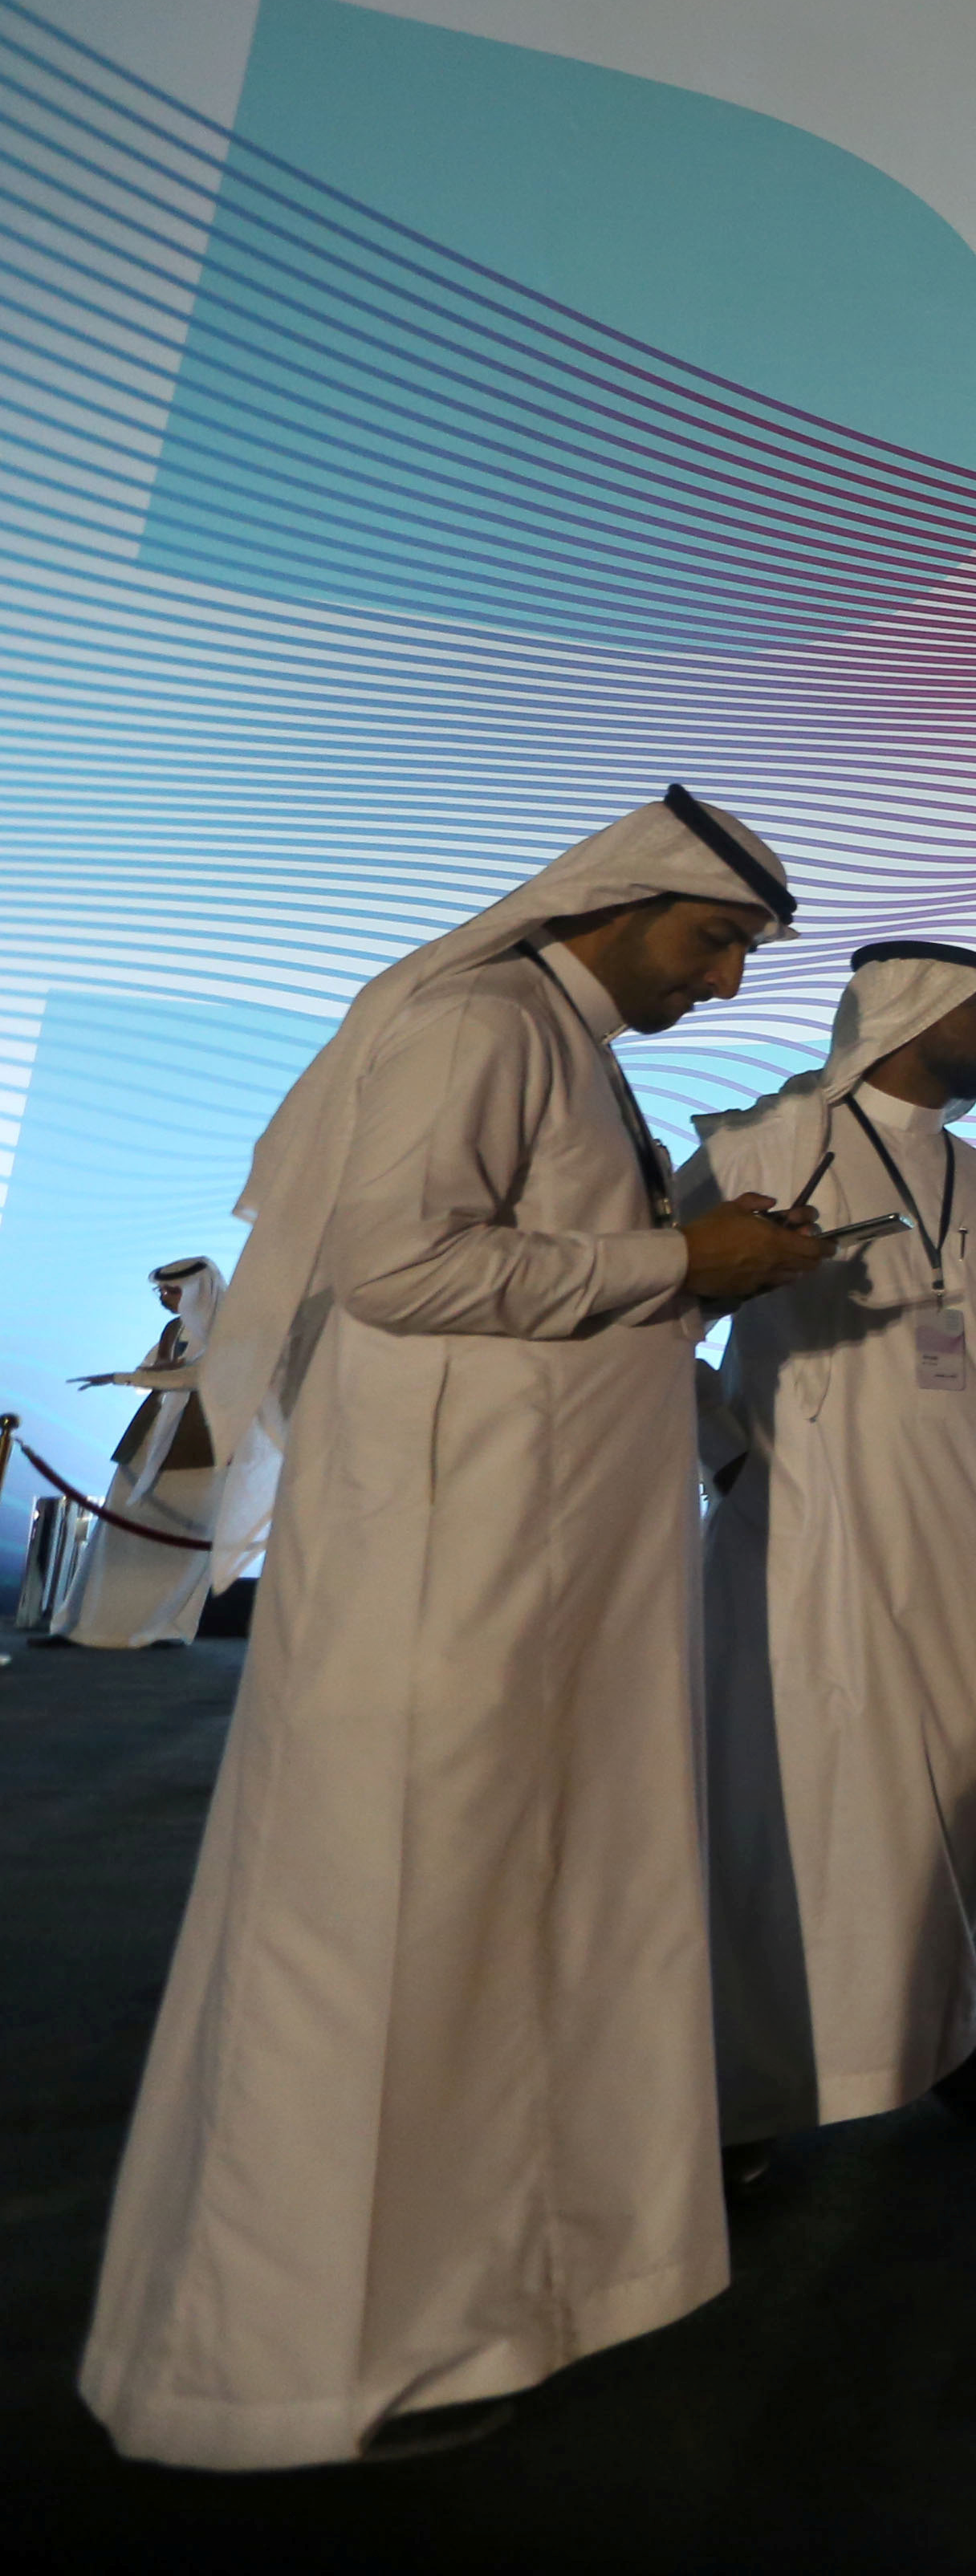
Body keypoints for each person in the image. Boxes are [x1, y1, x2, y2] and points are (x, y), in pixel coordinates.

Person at [81, 788, 828, 2469]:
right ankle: (297, 2365)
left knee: (498, 1916)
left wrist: (698, 1270)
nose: (722, 986)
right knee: (389, 1923)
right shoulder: (480, 1020)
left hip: (530, 1568)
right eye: (712, 943)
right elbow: (398, 1264)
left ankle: (461, 2305)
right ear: (617, 905)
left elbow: (547, 1266)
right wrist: (672, 1260)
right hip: (447, 1571)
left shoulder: (565, 1047)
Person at [685, 941, 976, 2164]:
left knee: (956, 1782)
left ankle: (937, 2037)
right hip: (804, 1529)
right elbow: (640, 1315)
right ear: (908, 1015)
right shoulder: (761, 1145)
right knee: (793, 1802)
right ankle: (745, 2093)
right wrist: (724, 1458)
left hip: (961, 1527)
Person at [59, 1258, 224, 1648]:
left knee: (182, 1534)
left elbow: (196, 1378)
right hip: (150, 1435)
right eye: (162, 1292)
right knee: (119, 1526)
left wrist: (126, 1377)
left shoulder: (230, 1331)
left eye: (172, 1291)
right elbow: (153, 1371)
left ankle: (165, 1628)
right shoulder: (175, 1328)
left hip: (200, 1442)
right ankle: (89, 1625)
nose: (164, 1299)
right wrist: (146, 1373)